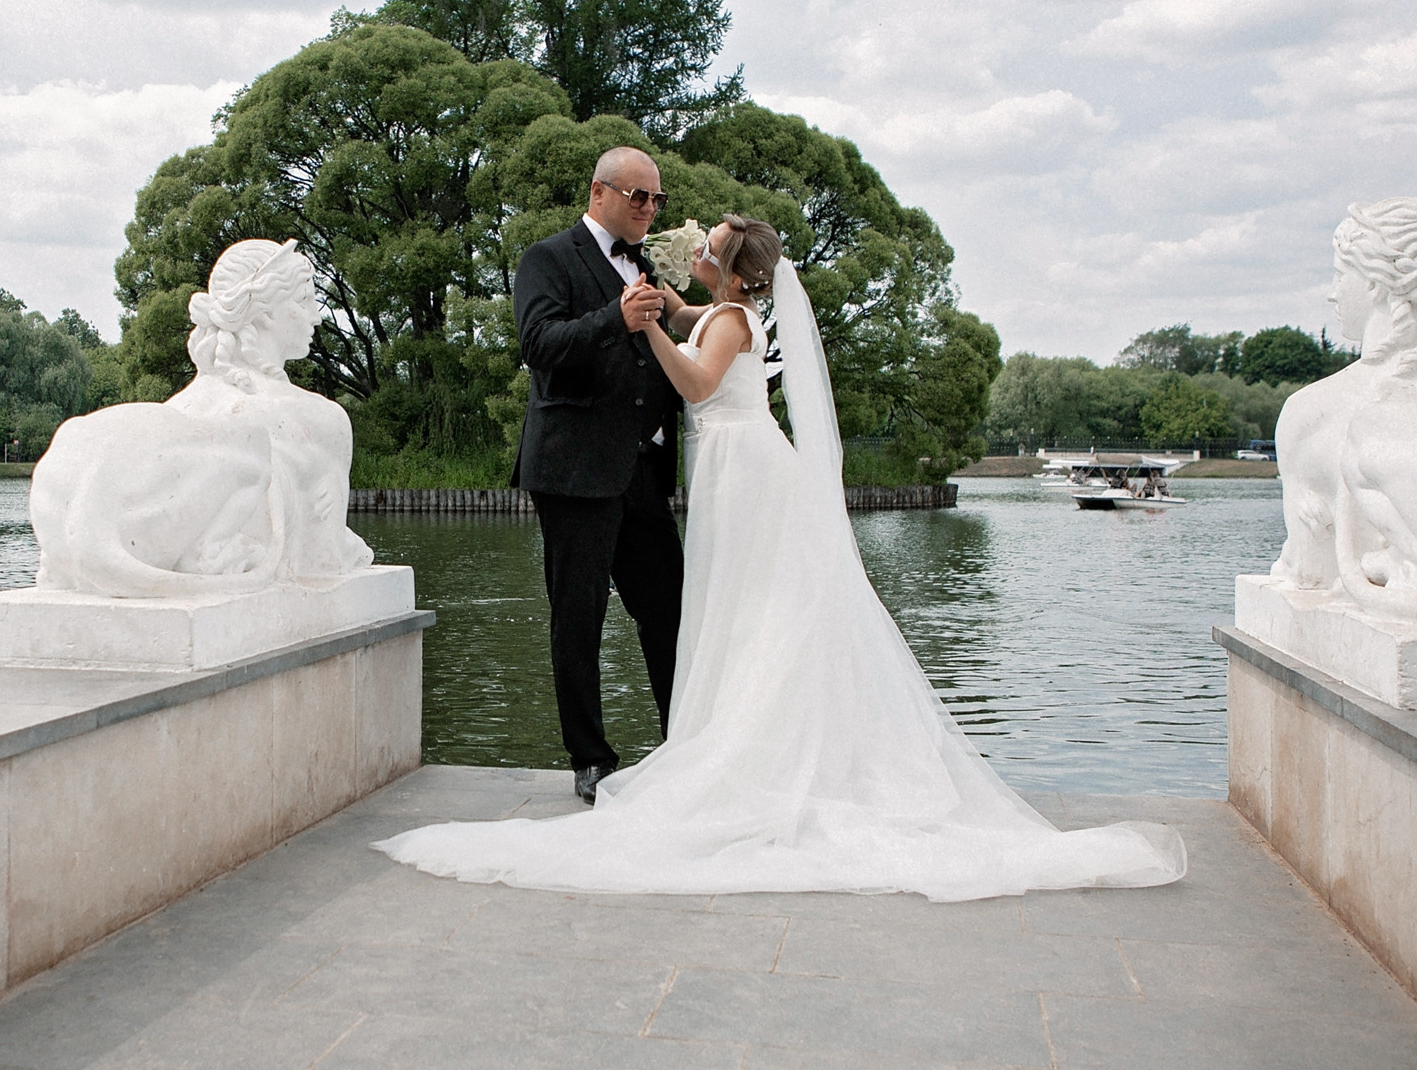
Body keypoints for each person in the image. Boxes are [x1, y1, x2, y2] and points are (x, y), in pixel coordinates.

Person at [377, 214, 1188, 900]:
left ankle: (741, 750)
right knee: (746, 605)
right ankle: (723, 741)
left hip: (744, 468)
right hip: (733, 466)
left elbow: (697, 386)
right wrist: (665, 306)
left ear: (730, 268)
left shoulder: (729, 321)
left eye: (706, 245)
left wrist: (647, 323)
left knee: (753, 604)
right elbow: (693, 322)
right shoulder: (725, 311)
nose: (693, 246)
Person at [508, 147, 692, 803]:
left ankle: (685, 748)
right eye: (638, 195)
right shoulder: (548, 258)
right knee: (578, 619)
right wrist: (615, 318)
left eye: (656, 199)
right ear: (598, 193)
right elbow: (539, 346)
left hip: (645, 471)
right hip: (575, 470)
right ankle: (589, 758)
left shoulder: (647, 265)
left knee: (671, 614)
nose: (649, 208)